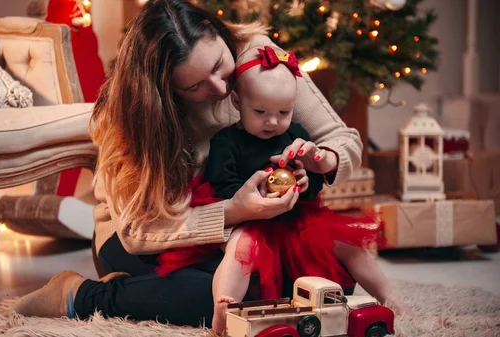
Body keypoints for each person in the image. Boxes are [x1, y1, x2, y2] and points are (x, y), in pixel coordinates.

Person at [13, 0, 402, 329]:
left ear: (218, 33)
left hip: (246, 228)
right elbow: (136, 231)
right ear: (165, 89)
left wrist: (321, 161)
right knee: (229, 298)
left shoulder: (259, 59)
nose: (219, 89)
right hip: (151, 236)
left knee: (327, 283)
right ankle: (82, 294)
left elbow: (342, 139)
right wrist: (236, 209)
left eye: (219, 65)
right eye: (195, 86)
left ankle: (149, 292)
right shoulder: (132, 112)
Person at [153, 45, 403, 333]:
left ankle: (389, 297)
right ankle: (224, 306)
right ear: (236, 101)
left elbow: (313, 182)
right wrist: (256, 195)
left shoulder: (295, 134)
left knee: (351, 247)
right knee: (240, 248)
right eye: (260, 112)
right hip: (251, 221)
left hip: (297, 220)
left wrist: (306, 180)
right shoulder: (227, 142)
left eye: (283, 111)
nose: (272, 121)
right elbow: (221, 185)